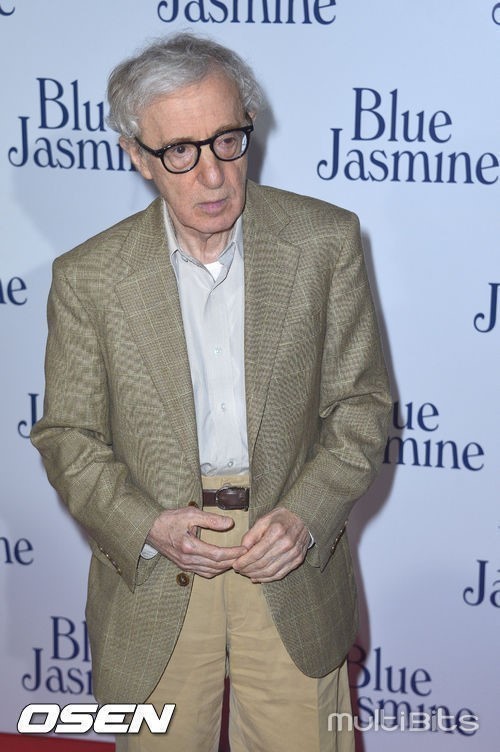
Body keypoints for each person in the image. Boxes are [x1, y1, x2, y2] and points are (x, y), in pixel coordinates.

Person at [31, 32, 391, 752]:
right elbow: (68, 436)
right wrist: (144, 525)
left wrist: (305, 517)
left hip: (287, 561)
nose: (214, 175)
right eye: (179, 151)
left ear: (249, 128)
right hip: (158, 571)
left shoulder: (325, 242)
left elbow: (362, 406)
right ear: (138, 156)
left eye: (228, 141)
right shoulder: (89, 277)